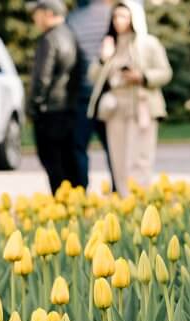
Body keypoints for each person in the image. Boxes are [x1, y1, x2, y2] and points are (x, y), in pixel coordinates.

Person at [87, 1, 171, 196]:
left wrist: (142, 76)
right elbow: (93, 76)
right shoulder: (110, 45)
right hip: (116, 110)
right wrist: (103, 58)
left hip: (141, 107)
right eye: (115, 16)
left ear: (134, 18)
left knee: (139, 158)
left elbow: (165, 72)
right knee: (118, 158)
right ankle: (124, 199)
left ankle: (139, 200)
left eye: (124, 16)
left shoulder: (148, 43)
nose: (119, 21)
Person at [28, 0, 82, 192]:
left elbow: (42, 78)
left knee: (54, 165)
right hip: (68, 108)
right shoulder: (70, 34)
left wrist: (34, 106)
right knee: (68, 164)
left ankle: (60, 202)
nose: (34, 18)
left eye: (37, 13)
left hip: (49, 111)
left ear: (48, 14)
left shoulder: (49, 39)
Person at [67, 0, 115, 189]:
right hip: (109, 94)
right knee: (114, 148)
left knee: (78, 147)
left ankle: (80, 191)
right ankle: (119, 190)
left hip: (83, 94)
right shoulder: (112, 14)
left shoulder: (73, 19)